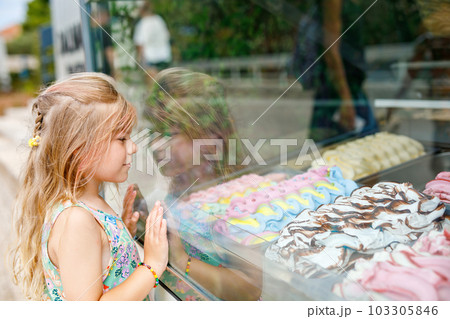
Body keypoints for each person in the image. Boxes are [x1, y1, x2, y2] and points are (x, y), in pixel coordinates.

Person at [8, 72, 168, 301]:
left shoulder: (87, 207)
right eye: (122, 139)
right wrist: (152, 266)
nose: (133, 147)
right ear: (81, 151)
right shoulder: (77, 220)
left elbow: (101, 269)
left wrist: (119, 240)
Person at [144, 68, 262, 300]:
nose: (156, 145)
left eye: (171, 134)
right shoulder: (184, 182)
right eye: (153, 131)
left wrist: (181, 261)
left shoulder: (234, 200)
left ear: (210, 139)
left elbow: (250, 287)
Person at [133, 1, 172, 79]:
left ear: (141, 10)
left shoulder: (142, 24)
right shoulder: (159, 20)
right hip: (164, 55)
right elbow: (167, 36)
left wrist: (139, 60)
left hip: (150, 58)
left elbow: (140, 44)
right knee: (164, 83)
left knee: (153, 84)